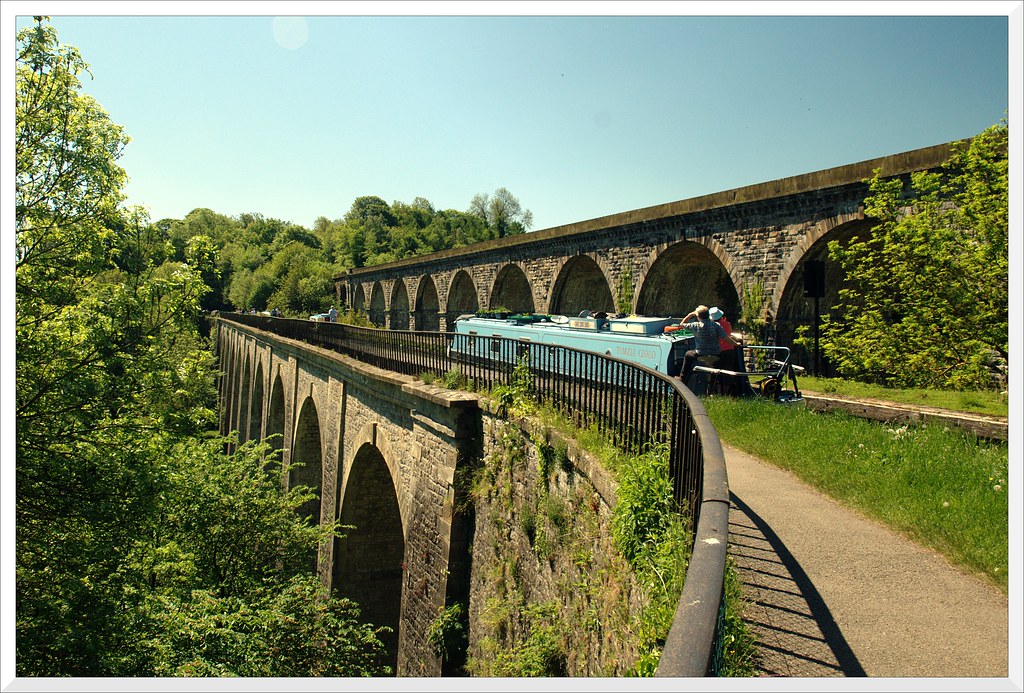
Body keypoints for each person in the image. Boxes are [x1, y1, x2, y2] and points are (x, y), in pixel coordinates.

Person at [678, 304, 743, 388]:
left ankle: (682, 379)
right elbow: (726, 337)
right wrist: (736, 344)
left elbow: (681, 324)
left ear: (698, 316)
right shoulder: (716, 325)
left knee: (687, 354)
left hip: (701, 353)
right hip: (716, 353)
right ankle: (720, 384)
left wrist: (690, 314)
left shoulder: (694, 325)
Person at [709, 306, 740, 394]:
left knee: (715, 372)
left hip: (717, 352)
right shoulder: (728, 324)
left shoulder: (711, 326)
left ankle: (716, 392)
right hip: (729, 351)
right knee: (727, 372)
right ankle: (726, 393)